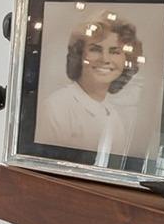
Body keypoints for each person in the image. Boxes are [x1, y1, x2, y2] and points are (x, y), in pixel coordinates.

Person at [35, 15, 149, 160]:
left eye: (114, 51)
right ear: (79, 55)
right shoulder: (57, 107)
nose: (105, 59)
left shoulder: (114, 118)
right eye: (95, 49)